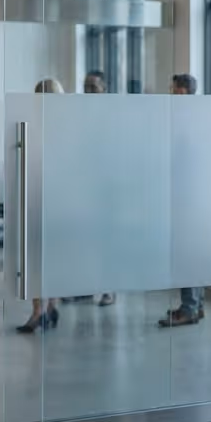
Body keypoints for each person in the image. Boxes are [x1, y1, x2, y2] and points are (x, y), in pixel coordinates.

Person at [17, 78, 64, 333]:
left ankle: (40, 311)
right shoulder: (60, 125)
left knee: (39, 257)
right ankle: (49, 308)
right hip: (49, 197)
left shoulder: (40, 125)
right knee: (47, 256)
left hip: (48, 198)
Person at [160, 74, 206, 327]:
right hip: (188, 195)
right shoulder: (192, 119)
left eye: (175, 91)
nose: (171, 95)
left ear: (186, 92)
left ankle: (190, 307)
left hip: (189, 196)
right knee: (190, 251)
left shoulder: (190, 122)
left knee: (186, 251)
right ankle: (195, 305)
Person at [83, 70, 117, 307]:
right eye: (86, 86)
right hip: (85, 186)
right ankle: (84, 286)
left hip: (107, 189)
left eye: (93, 86)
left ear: (104, 88)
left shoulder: (111, 115)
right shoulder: (81, 113)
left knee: (106, 244)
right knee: (85, 240)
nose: (89, 90)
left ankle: (108, 289)